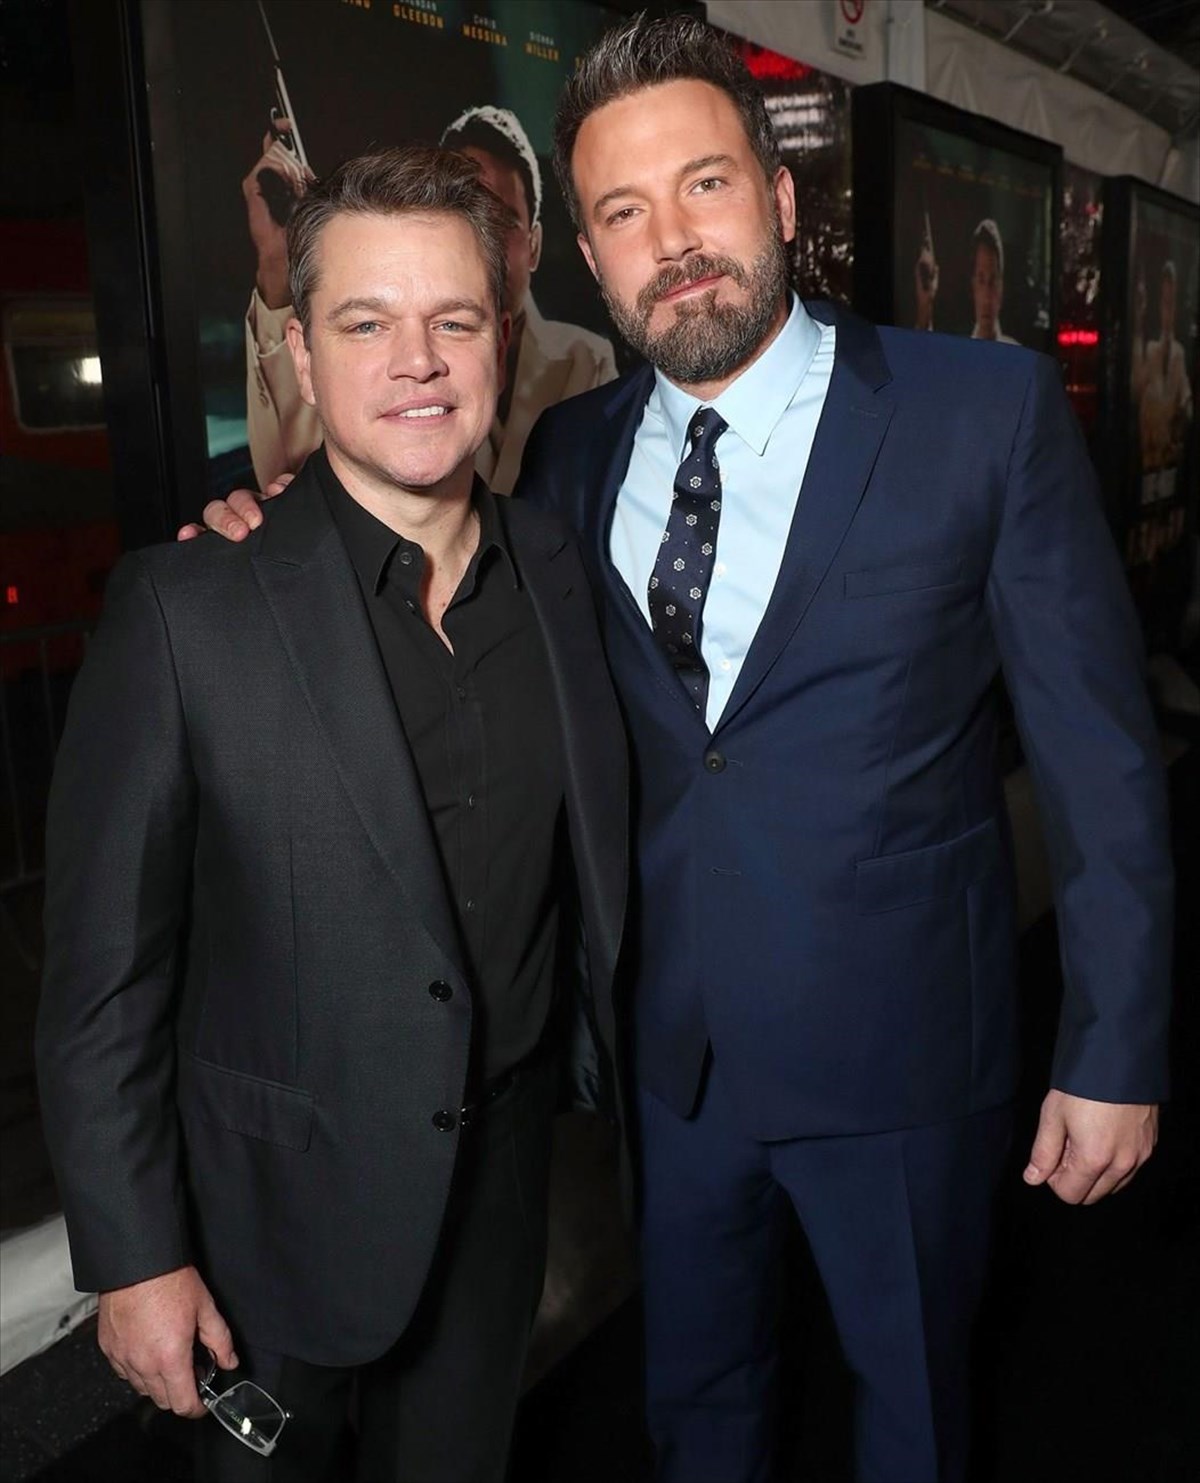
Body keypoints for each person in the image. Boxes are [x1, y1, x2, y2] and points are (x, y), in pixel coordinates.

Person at [196, 16, 1173, 1483]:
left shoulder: (983, 417)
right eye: (624, 211)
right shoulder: (571, 451)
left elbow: (1102, 757)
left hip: (906, 1060)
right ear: (587, 258)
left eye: (704, 185)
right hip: (674, 1069)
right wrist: (269, 525)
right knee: (694, 1410)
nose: (674, 242)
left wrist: (1115, 1047)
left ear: (777, 199)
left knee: (917, 1415)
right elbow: (419, 558)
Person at [37, 145, 627, 1483]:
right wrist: (134, 1255)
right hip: (267, 1228)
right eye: (366, 323)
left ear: (505, 341)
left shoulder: (560, 570)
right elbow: (102, 983)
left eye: (454, 321)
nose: (416, 361)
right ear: (302, 354)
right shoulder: (189, 609)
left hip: (500, 1198)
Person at [243, 104, 617, 494]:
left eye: (502, 222)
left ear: (534, 244)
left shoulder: (587, 359)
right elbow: (289, 469)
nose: (419, 362)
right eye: (368, 326)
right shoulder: (345, 374)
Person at [1131, 258, 1194, 503]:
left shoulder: (1179, 354)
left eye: (1172, 303)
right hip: (1145, 472)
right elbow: (1135, 389)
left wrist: (1184, 414)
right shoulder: (1149, 351)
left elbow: (1187, 399)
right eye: (1165, 303)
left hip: (1169, 471)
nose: (1168, 312)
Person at [969, 216, 1019, 344]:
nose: (987, 297)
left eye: (992, 282)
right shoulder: (959, 354)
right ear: (973, 286)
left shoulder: (1015, 353)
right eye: (981, 280)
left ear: (1001, 288)